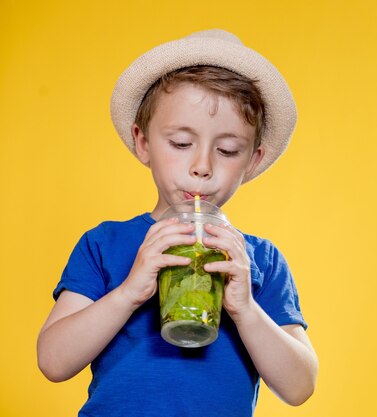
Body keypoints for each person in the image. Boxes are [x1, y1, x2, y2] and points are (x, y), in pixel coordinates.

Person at [37, 29, 318, 417]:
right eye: (182, 144)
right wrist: (129, 292)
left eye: (227, 150)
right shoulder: (105, 243)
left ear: (252, 160)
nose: (202, 166)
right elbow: (53, 361)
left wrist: (246, 309)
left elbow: (300, 386)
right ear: (143, 142)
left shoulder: (258, 261)